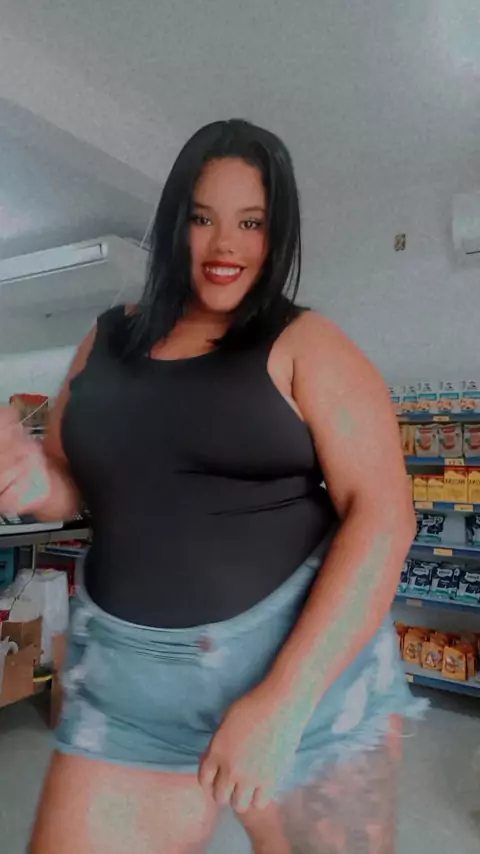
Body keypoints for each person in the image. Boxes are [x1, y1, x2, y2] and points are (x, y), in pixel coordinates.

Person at [0, 119, 424, 854]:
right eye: (203, 218)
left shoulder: (308, 344)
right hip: (128, 686)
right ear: (175, 225)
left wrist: (286, 700)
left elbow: (384, 517)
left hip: (305, 681)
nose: (226, 245)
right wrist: (35, 479)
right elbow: (74, 483)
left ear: (277, 233)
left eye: (250, 222)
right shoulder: (108, 338)